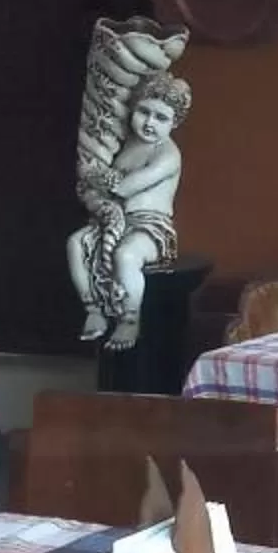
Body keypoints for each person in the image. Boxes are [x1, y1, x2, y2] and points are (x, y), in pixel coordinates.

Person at [68, 71, 190, 349]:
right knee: (76, 244)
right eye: (143, 112)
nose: (149, 123)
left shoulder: (168, 155)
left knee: (126, 255)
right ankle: (94, 310)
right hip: (118, 221)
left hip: (150, 228)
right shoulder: (128, 144)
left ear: (175, 122)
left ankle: (130, 319)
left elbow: (126, 187)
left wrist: (99, 177)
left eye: (161, 118)